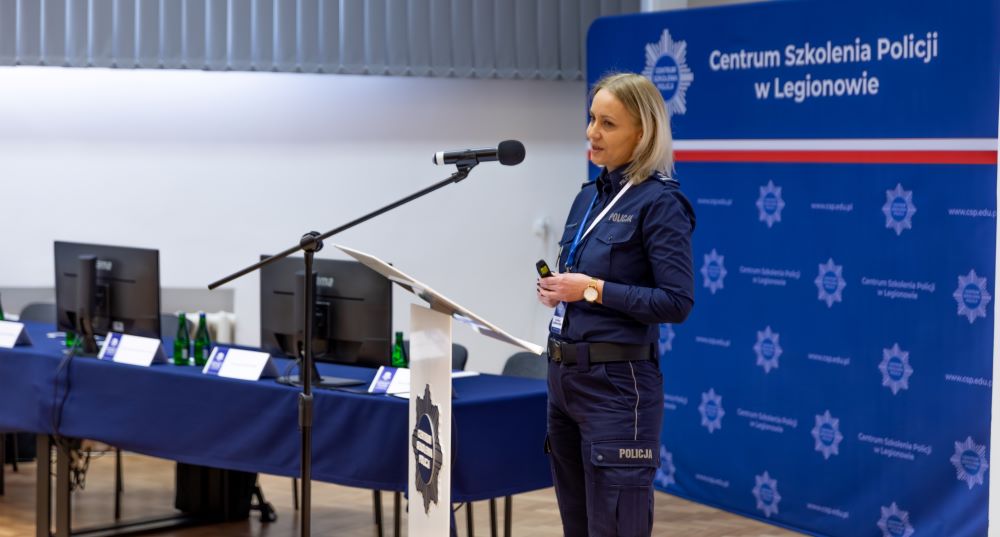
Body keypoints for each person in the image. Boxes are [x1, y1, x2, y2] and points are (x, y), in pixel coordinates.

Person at [536, 72, 695, 536]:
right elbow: (580, 279)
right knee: (577, 526)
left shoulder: (660, 203)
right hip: (564, 381)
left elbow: (676, 301)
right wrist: (559, 290)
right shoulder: (588, 196)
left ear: (642, 134)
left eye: (608, 123)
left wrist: (591, 289)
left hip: (617, 388)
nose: (592, 132)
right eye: (591, 119)